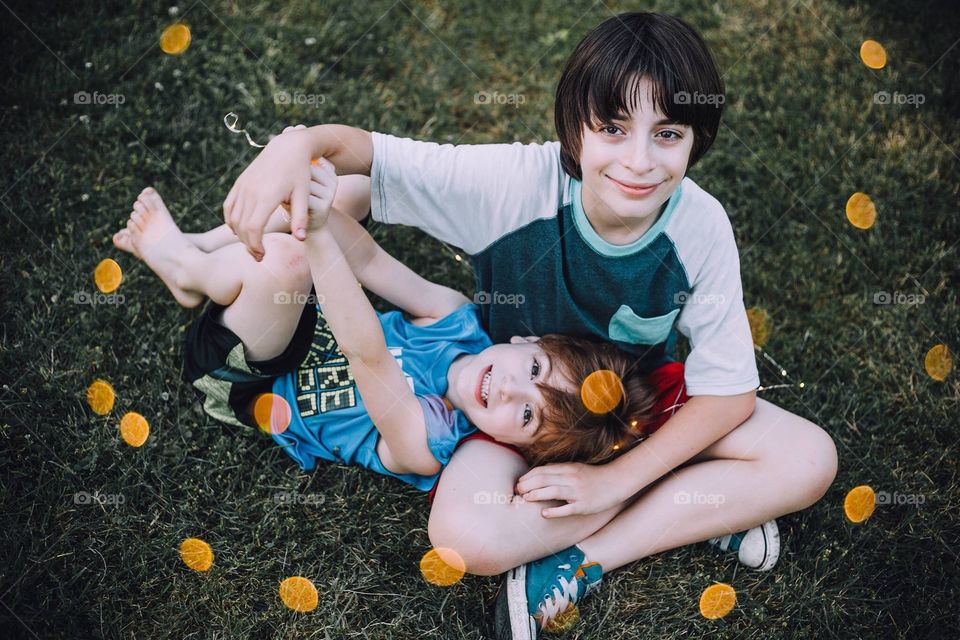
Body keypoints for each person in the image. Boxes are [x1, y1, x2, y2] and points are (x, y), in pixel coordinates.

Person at [219, 12, 838, 638]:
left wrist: (614, 480)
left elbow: (728, 394)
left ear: (696, 139)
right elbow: (372, 155)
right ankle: (700, 503)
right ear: (574, 126)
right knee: (465, 538)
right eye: (613, 128)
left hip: (625, 406)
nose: (639, 161)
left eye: (668, 133)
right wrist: (296, 144)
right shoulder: (515, 185)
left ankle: (585, 560)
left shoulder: (700, 227)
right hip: (508, 412)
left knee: (808, 459)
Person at [111, 170, 678, 495]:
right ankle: (206, 247)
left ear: (519, 448)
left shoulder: (431, 443)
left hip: (245, 380)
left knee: (289, 260)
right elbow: (371, 263)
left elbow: (369, 356)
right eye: (533, 371)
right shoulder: (458, 321)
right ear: (529, 342)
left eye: (527, 414)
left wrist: (316, 236)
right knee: (353, 192)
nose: (508, 389)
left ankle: (185, 266)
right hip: (291, 323)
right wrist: (315, 200)